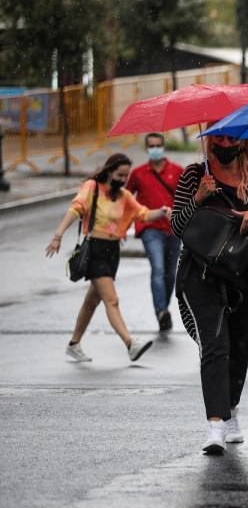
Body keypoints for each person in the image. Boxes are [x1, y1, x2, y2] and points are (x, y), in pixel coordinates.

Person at [171, 132, 248, 454]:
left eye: (232, 138)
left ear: (244, 140)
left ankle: (232, 412)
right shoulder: (194, 175)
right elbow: (177, 228)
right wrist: (197, 199)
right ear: (208, 139)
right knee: (215, 346)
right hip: (202, 273)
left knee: (238, 349)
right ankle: (216, 426)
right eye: (217, 138)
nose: (224, 145)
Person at [45, 153, 167, 363]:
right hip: (95, 249)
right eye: (120, 174)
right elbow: (75, 209)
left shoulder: (123, 196)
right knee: (112, 300)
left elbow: (142, 214)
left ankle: (74, 344)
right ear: (109, 171)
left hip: (113, 251)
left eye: (126, 176)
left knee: (92, 301)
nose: (123, 179)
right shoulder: (92, 187)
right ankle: (130, 344)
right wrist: (58, 236)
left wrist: (162, 212)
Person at [125, 132, 184, 331]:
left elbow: (188, 200)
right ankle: (161, 312)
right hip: (149, 228)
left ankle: (163, 310)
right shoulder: (138, 173)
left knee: (171, 274)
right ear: (146, 149)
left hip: (174, 229)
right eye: (152, 146)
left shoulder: (177, 171)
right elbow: (126, 200)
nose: (155, 149)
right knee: (158, 269)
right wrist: (122, 228)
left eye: (158, 145)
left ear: (164, 147)